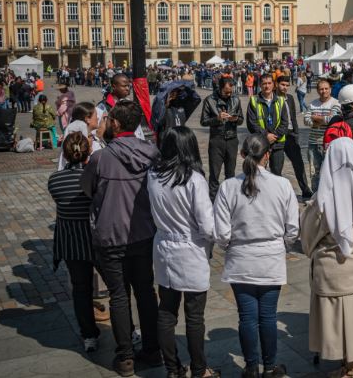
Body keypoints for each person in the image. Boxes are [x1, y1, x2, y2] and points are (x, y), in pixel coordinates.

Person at [81, 101, 161, 377]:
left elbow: (87, 189)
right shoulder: (152, 152)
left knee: (118, 295)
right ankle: (152, 350)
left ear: (115, 124)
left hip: (111, 234)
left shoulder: (101, 158)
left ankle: (125, 357)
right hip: (143, 232)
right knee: (146, 291)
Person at [300, 138, 353, 378]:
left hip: (335, 271)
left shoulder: (324, 198)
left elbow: (307, 237)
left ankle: (352, 368)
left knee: (342, 322)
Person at [214, 134, 299, 378]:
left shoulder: (228, 186)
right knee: (268, 317)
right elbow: (292, 228)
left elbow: (221, 231)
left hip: (241, 258)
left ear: (242, 154)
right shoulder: (282, 185)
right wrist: (282, 244)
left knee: (248, 318)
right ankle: (270, 367)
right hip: (270, 257)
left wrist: (229, 245)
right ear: (267, 155)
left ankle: (251, 367)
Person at [148, 127, 218, 378]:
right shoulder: (193, 179)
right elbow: (208, 225)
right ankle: (199, 369)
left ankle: (172, 368)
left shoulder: (153, 175)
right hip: (190, 249)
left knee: (167, 311)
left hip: (164, 247)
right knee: (194, 315)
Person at [48, 132, 100, 353]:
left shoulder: (55, 180)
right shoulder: (94, 177)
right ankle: (129, 331)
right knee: (117, 287)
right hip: (96, 239)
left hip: (71, 242)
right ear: (88, 152)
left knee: (81, 289)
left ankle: (88, 335)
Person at [200, 77, 244, 201]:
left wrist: (235, 119)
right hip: (216, 140)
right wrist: (217, 119)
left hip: (232, 140)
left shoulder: (236, 99)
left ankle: (229, 200)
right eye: (226, 92)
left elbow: (241, 119)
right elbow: (203, 121)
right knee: (214, 173)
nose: (229, 94)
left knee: (230, 173)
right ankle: (213, 201)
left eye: (231, 91)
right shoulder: (209, 100)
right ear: (219, 89)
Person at [275, 75, 313, 198]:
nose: (285, 87)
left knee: (299, 164)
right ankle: (278, 193)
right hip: (278, 136)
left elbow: (293, 117)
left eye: (287, 85)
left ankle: (305, 189)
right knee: (277, 166)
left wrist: (296, 132)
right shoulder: (273, 99)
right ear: (277, 84)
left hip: (291, 135)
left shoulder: (290, 98)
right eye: (282, 85)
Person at [303, 78, 342, 191]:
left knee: (330, 171)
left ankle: (330, 196)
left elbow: (332, 119)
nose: (323, 91)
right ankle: (316, 197)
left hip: (329, 143)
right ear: (317, 90)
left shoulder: (336, 103)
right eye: (321, 89)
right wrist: (321, 120)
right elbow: (306, 120)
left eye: (326, 88)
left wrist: (315, 118)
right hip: (313, 142)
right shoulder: (313, 103)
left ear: (330, 89)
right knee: (314, 171)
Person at [247, 74, 289, 176]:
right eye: (264, 84)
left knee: (277, 173)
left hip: (277, 144)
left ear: (273, 85)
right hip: (260, 144)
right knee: (258, 174)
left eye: (269, 83)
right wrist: (266, 135)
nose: (267, 86)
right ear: (260, 85)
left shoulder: (281, 101)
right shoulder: (253, 101)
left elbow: (285, 122)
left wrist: (274, 136)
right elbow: (252, 123)